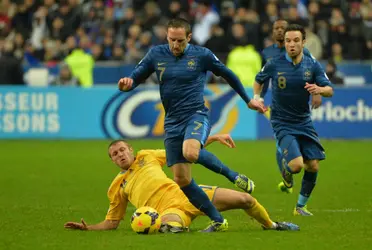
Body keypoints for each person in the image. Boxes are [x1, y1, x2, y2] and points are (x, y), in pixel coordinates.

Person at [117, 17, 266, 232]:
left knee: (191, 152)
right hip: (172, 122)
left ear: (189, 37)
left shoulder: (202, 55)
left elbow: (228, 74)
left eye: (180, 41)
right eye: (171, 40)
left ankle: (233, 175)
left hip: (196, 115)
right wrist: (127, 84)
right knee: (181, 179)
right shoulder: (156, 54)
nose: (175, 45)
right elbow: (134, 78)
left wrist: (248, 100)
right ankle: (218, 221)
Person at [64, 134, 299, 232]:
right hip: (167, 211)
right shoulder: (117, 186)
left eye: (122, 150)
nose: (120, 155)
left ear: (131, 149)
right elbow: (112, 222)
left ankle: (273, 226)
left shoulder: (147, 155)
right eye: (114, 154)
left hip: (189, 193)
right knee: (170, 229)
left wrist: (214, 138)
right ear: (112, 160)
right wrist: (89, 228)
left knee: (246, 199)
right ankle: (187, 226)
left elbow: (184, 151)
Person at [253, 24, 334, 216]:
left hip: (304, 121)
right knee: (297, 166)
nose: (291, 44)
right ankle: (285, 165)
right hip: (281, 121)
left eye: (296, 41)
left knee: (313, 165)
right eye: (288, 41)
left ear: (304, 43)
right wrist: (257, 98)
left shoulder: (312, 64)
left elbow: (329, 89)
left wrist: (320, 90)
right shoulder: (274, 63)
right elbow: (259, 80)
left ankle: (300, 207)